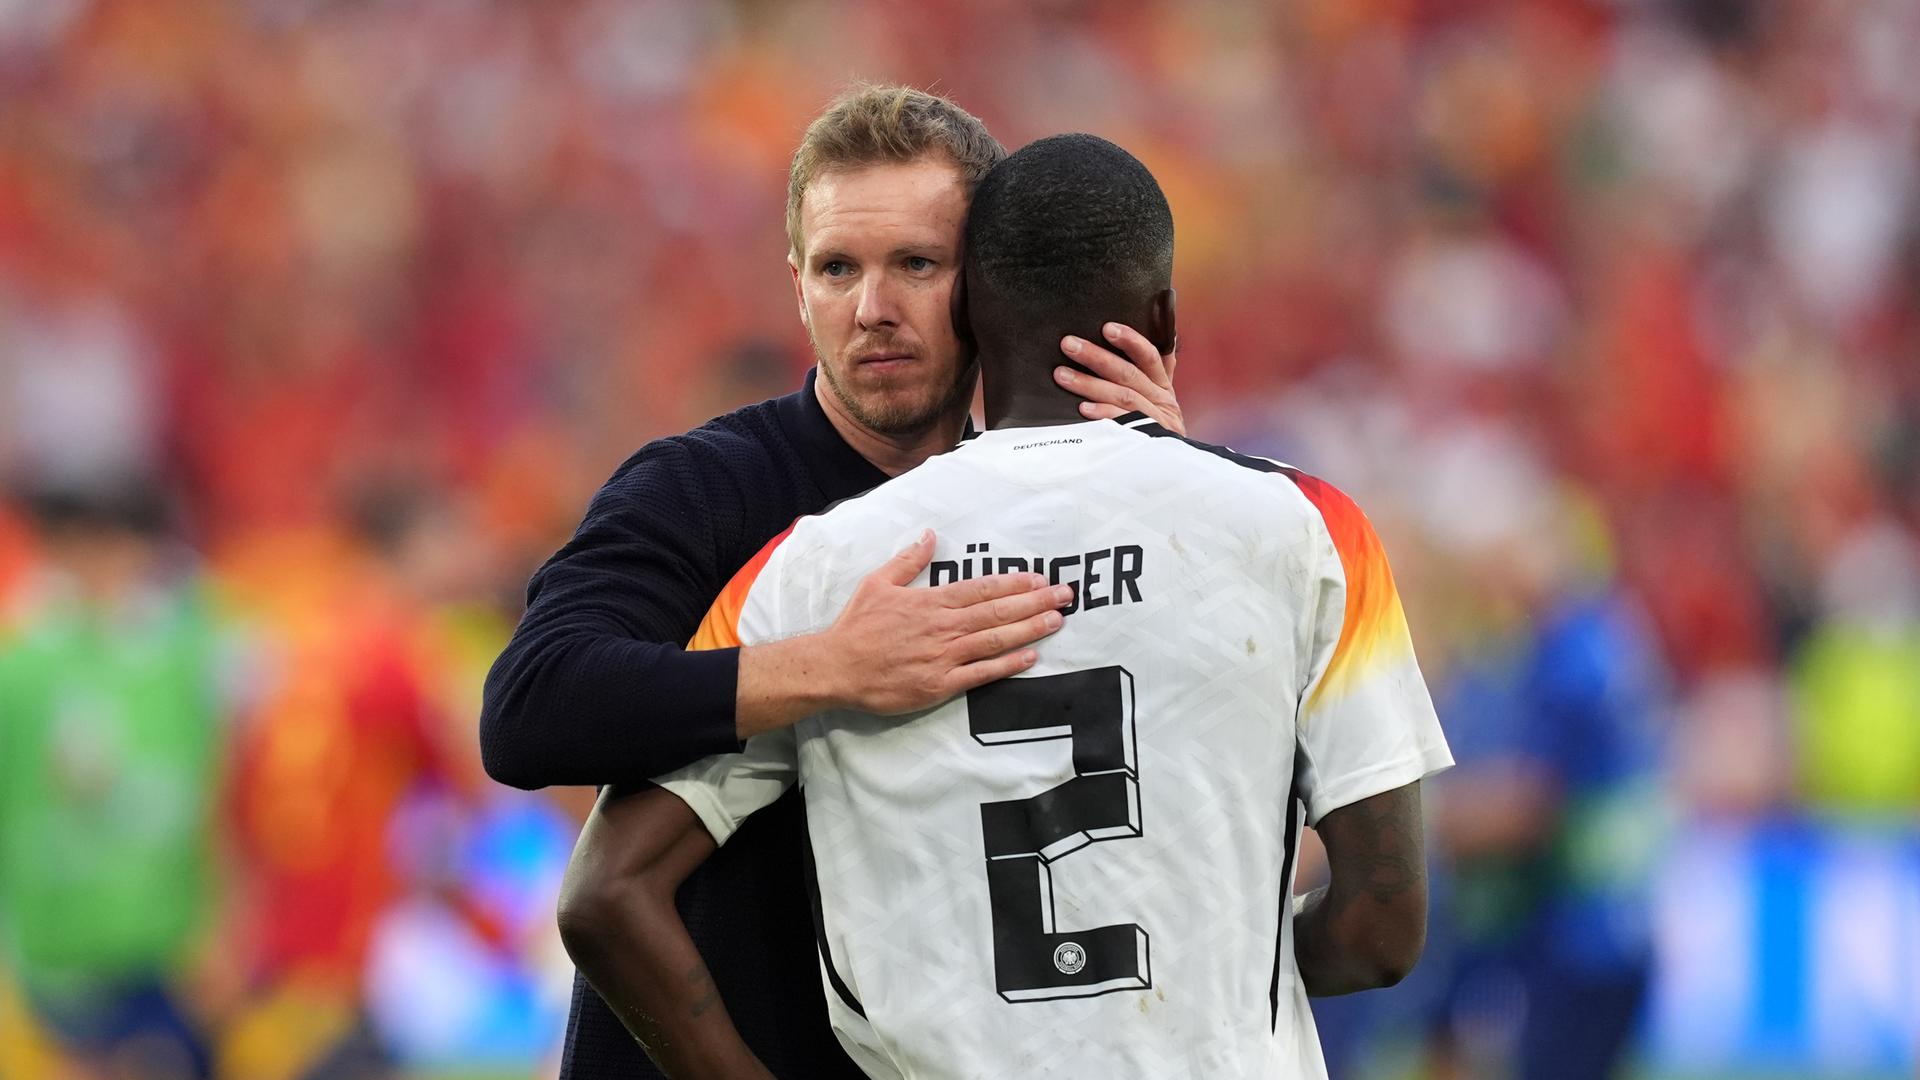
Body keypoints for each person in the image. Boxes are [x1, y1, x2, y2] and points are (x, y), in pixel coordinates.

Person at [565, 134, 1454, 1078]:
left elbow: (605, 897)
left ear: (969, 312)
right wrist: (1217, 972)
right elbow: (1379, 929)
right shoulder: (1307, 529)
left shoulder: (817, 566)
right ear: (1161, 317)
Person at [480, 85, 1187, 1078]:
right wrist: (829, 666)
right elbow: (527, 710)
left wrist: (1182, 507)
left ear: (986, 286)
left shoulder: (1043, 517)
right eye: (837, 268)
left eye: (916, 264)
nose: (871, 309)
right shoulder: (704, 486)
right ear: (797, 286)